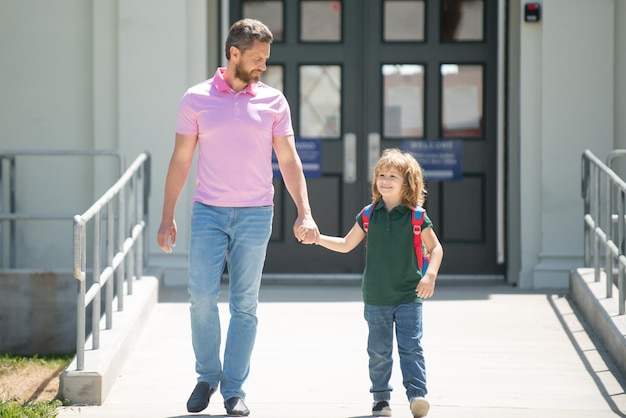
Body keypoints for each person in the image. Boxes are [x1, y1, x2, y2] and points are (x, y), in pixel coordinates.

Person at [157, 18, 319, 416]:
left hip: (255, 213)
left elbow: (289, 159)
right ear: (234, 54)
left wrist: (306, 212)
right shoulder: (195, 99)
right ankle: (206, 376)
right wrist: (167, 216)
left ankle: (234, 389)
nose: (263, 65)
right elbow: (181, 159)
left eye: (266, 58)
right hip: (208, 211)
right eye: (258, 58)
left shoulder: (274, 101)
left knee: (245, 304)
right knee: (200, 297)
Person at [300, 148, 443, 418]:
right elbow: (345, 244)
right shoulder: (368, 214)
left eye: (393, 176)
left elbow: (435, 249)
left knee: (411, 346)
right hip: (376, 296)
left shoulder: (416, 216)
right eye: (381, 175)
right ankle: (380, 399)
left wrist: (430, 275)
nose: (385, 180)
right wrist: (317, 238)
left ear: (408, 184)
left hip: (409, 295)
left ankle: (417, 396)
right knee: (379, 351)